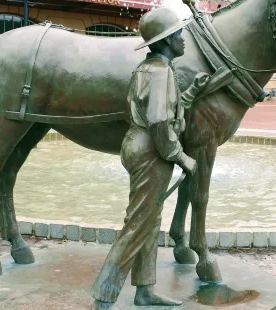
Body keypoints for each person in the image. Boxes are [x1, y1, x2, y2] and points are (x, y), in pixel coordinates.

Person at [91, 7, 196, 309]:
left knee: (150, 221)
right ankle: (104, 294)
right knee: (138, 223)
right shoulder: (160, 73)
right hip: (152, 150)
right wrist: (182, 157)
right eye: (178, 34)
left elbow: (163, 111)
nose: (183, 39)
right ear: (165, 41)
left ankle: (145, 290)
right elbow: (159, 122)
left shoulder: (149, 68)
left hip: (142, 146)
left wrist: (188, 98)